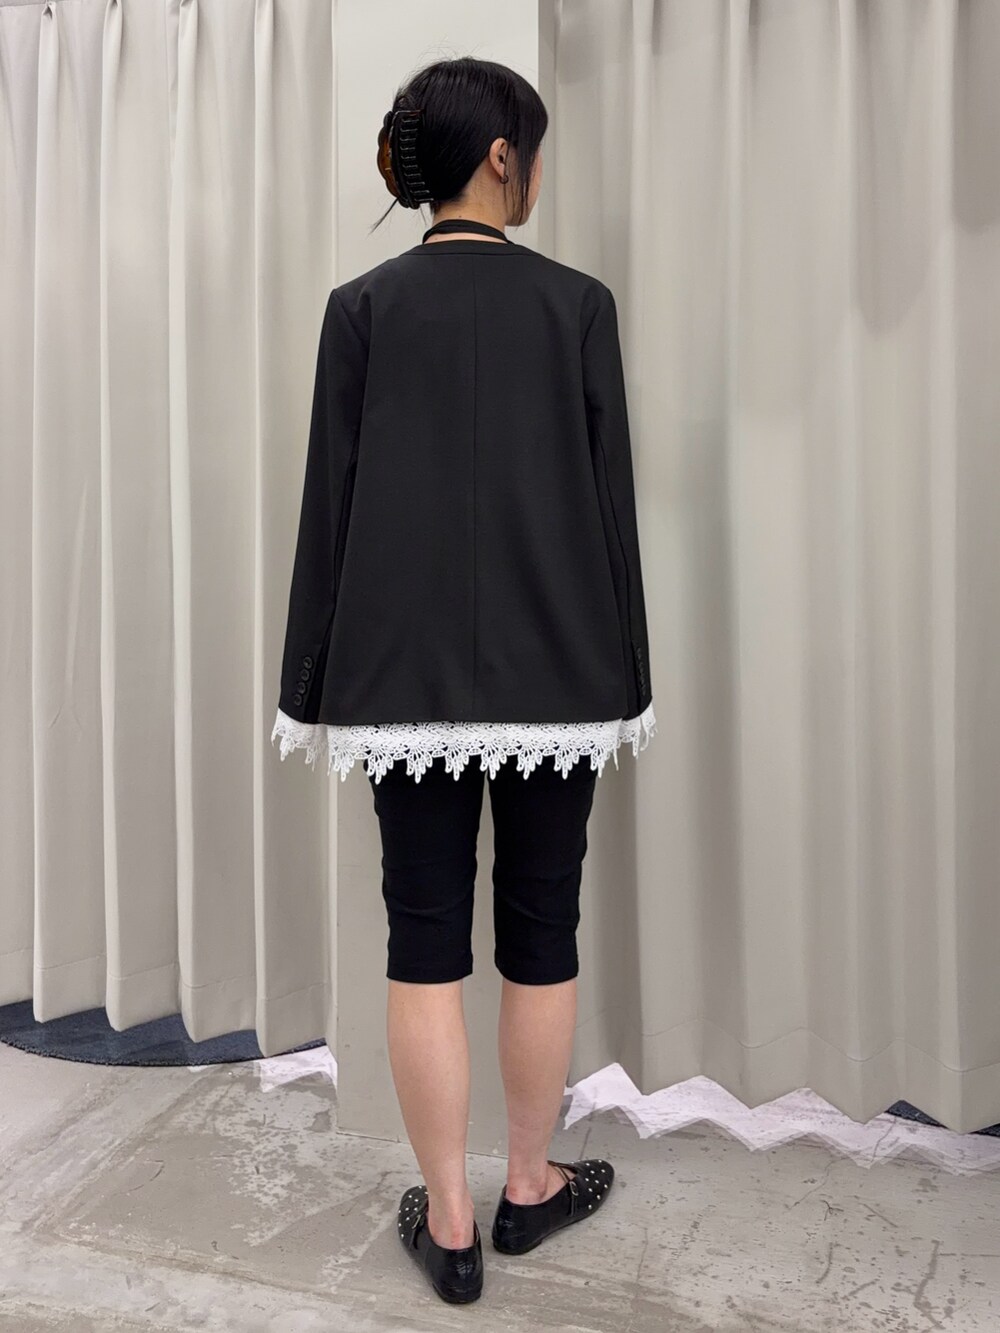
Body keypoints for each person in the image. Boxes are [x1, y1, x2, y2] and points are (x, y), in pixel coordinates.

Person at [271, 55, 655, 1305]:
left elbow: (329, 509)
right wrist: (627, 676)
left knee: (423, 937)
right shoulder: (577, 305)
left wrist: (307, 682)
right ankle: (528, 1184)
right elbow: (610, 512)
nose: (536, 172)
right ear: (501, 158)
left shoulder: (362, 308)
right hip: (561, 673)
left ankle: (448, 1224)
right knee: (543, 928)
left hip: (400, 680)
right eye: (532, 152)